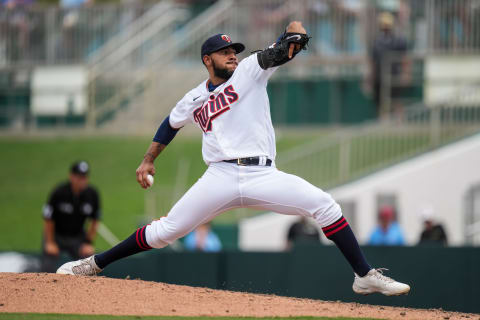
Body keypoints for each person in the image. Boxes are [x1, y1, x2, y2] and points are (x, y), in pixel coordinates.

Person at [57, 21, 410, 296]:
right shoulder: (194, 97)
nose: (232, 55)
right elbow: (170, 124)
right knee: (166, 231)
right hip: (219, 177)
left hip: (263, 174)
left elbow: (280, 50)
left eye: (233, 50)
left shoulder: (250, 70)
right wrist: (149, 158)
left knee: (325, 206)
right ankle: (94, 264)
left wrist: (295, 34)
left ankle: (364, 276)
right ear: (206, 59)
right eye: (224, 51)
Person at [41, 161, 101, 272]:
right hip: (56, 235)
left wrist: (88, 243)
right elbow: (48, 218)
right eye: (79, 177)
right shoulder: (59, 192)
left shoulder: (92, 194)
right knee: (47, 267)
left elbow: (95, 220)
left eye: (84, 177)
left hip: (77, 236)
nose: (82, 180)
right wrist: (49, 242)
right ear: (71, 176)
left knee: (89, 265)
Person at [367, 11, 410, 118]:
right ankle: (383, 122)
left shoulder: (398, 41)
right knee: (380, 101)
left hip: (393, 75)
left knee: (395, 100)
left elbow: (404, 58)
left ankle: (400, 121)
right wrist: (370, 78)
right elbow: (373, 61)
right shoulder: (377, 42)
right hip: (380, 76)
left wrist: (405, 73)